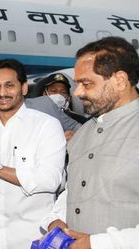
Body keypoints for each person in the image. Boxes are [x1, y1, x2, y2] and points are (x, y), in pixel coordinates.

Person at [43, 37, 139, 249]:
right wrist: (56, 220)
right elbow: (74, 188)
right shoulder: (82, 132)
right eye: (78, 84)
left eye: (87, 84)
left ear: (120, 81)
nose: (77, 93)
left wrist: (97, 243)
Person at [0, 58, 66, 249]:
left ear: (24, 88)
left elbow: (50, 179)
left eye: (9, 86)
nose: (2, 93)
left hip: (31, 239)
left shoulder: (46, 125)